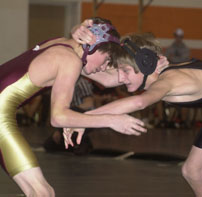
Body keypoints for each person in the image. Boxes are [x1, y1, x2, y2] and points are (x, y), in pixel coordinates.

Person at [65, 33, 202, 196]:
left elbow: (139, 102)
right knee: (193, 172)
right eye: (120, 70)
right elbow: (104, 76)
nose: (120, 77)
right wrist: (68, 51)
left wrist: (86, 120)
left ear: (147, 64)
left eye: (126, 71)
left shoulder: (168, 81)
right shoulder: (151, 71)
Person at [0, 17, 146, 197]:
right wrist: (112, 120)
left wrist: (151, 74)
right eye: (108, 59)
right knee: (42, 193)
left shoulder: (60, 45)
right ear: (93, 46)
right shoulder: (70, 61)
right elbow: (58, 117)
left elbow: (109, 80)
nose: (106, 66)